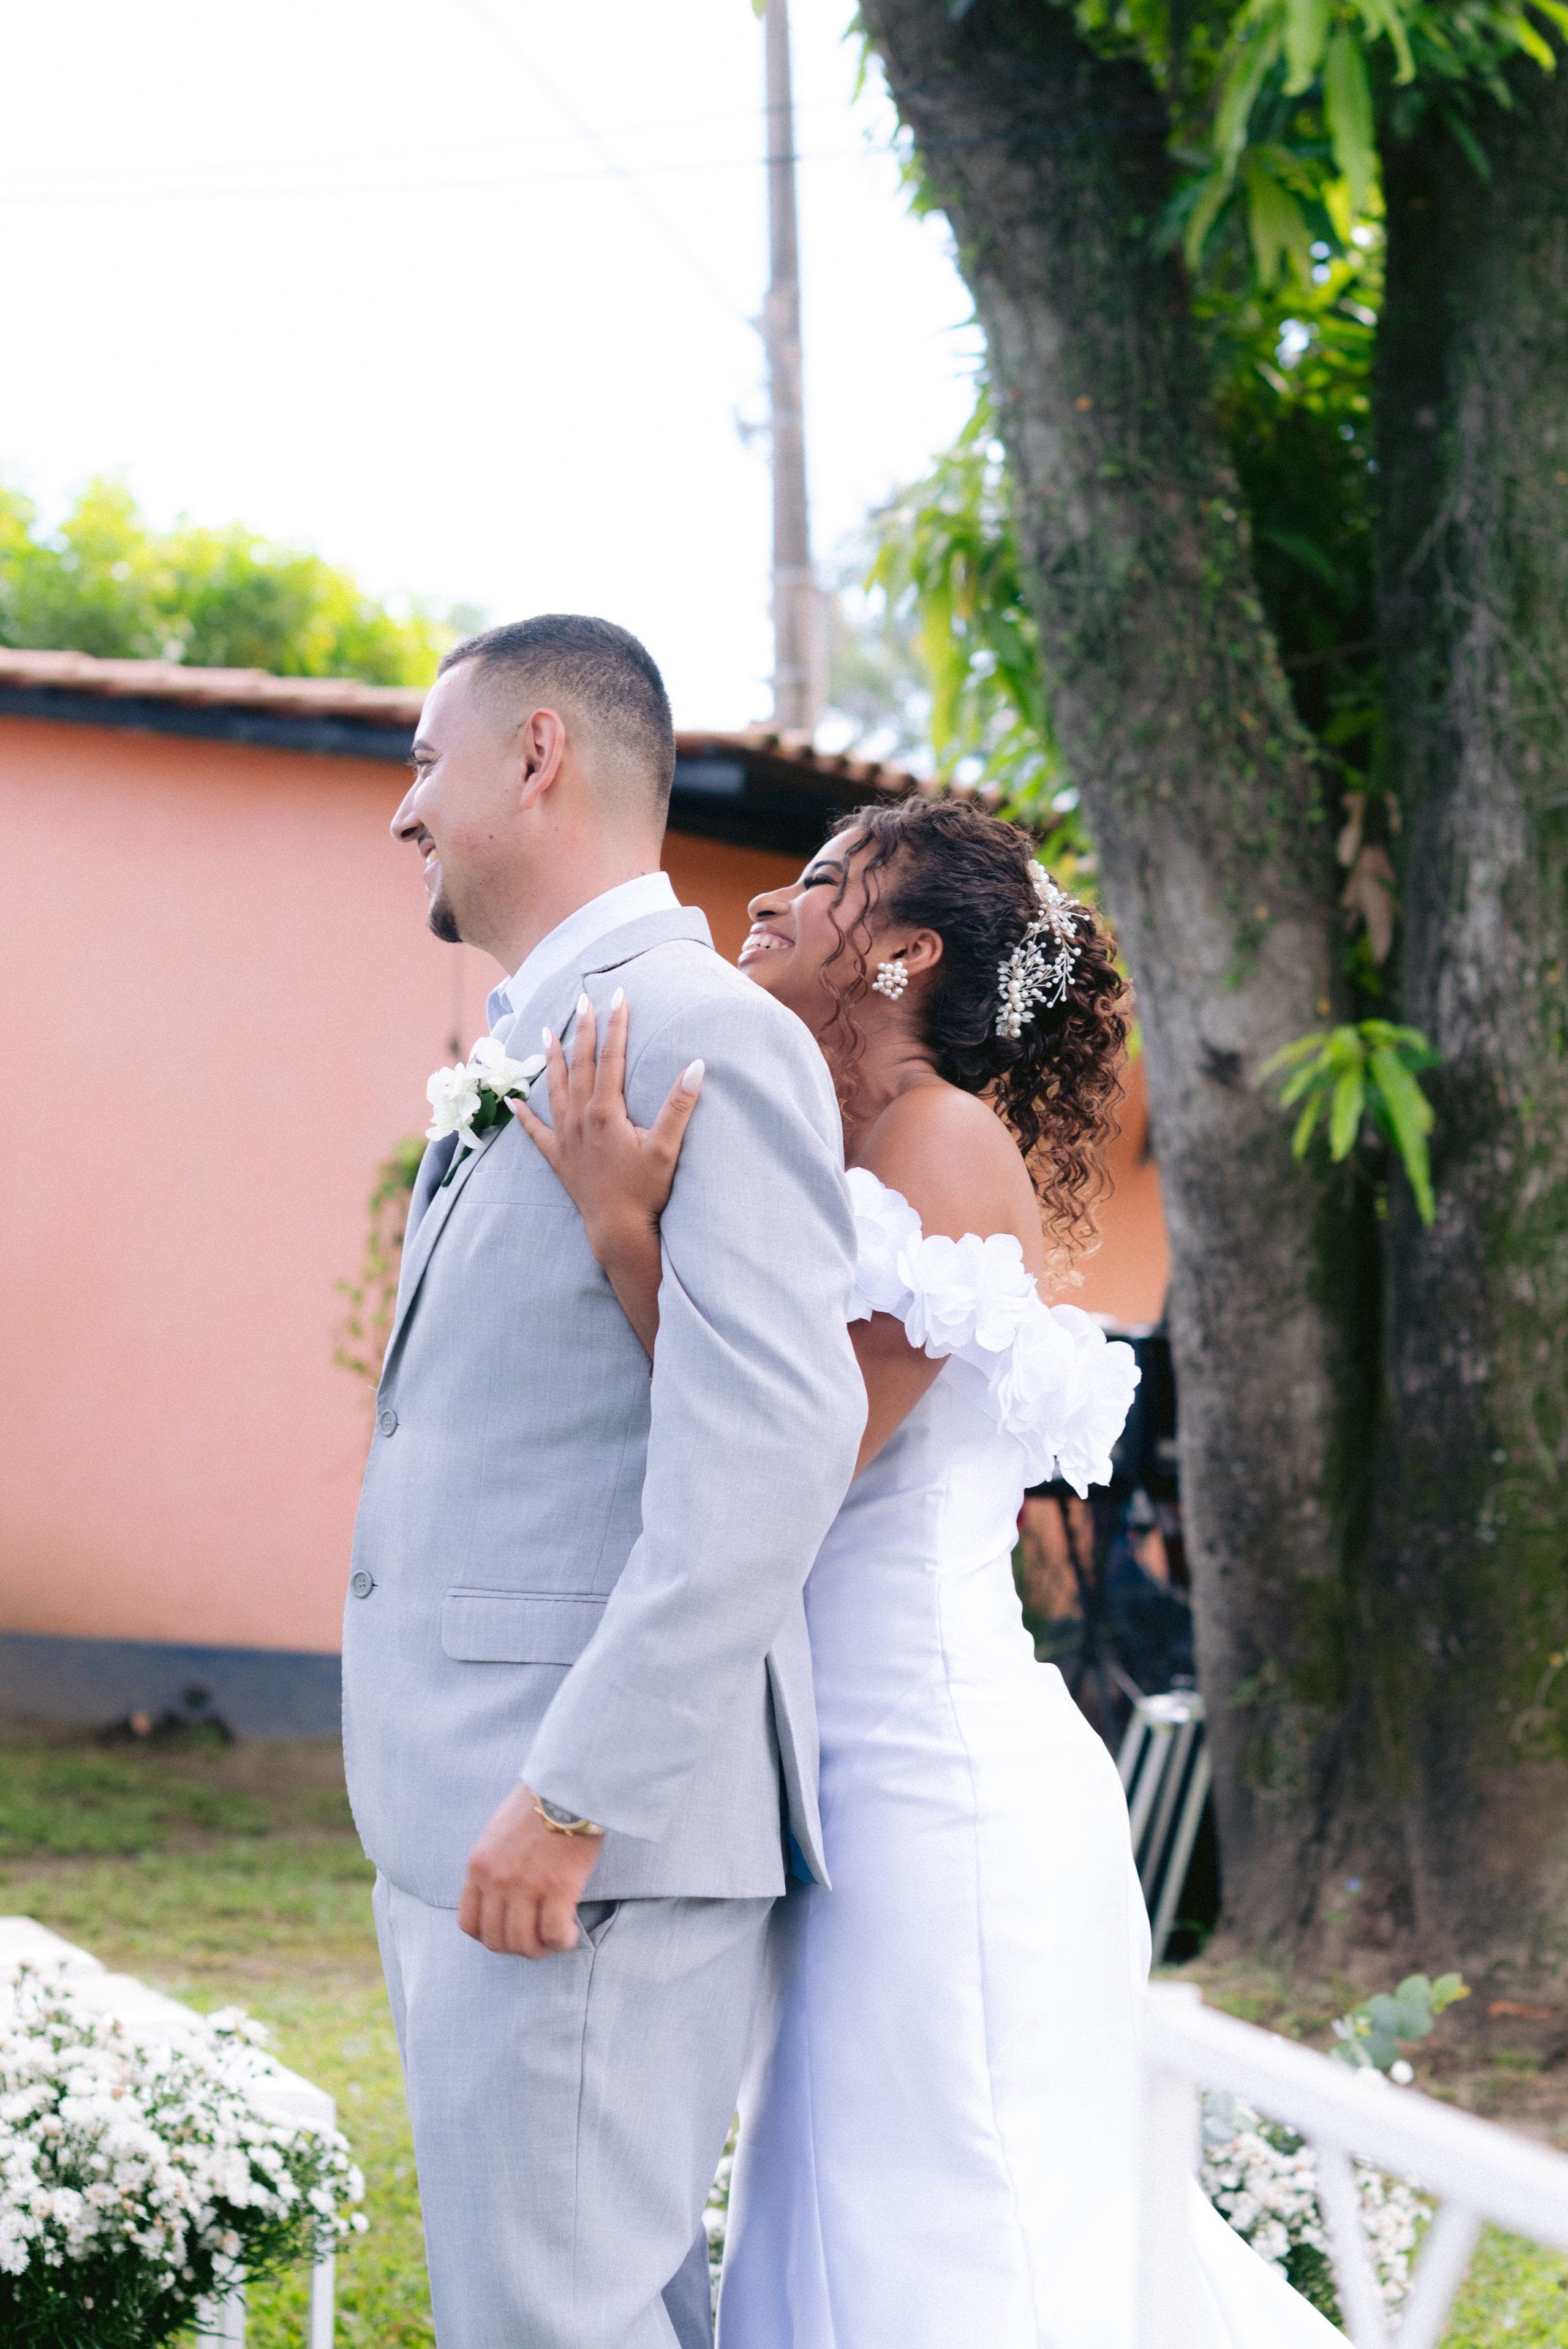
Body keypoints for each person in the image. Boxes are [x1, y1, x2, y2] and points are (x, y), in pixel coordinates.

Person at [518, 794, 1345, 2348]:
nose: (768, 899)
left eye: (822, 882)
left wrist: (623, 1231)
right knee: (845, 2222)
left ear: (900, 957)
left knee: (939, 2249)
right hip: (850, 1787)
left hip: (936, 1797)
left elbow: (787, 1463)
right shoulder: (837, 1137)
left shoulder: (937, 1139)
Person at [341, 616, 866, 2349]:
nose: (407, 811)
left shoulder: (702, 1030)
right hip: (490, 1810)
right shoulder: (558, 1033)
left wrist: (574, 1791)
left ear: (539, 755)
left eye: (430, 760)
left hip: (581, 1835)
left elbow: (773, 1447)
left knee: (553, 2324)